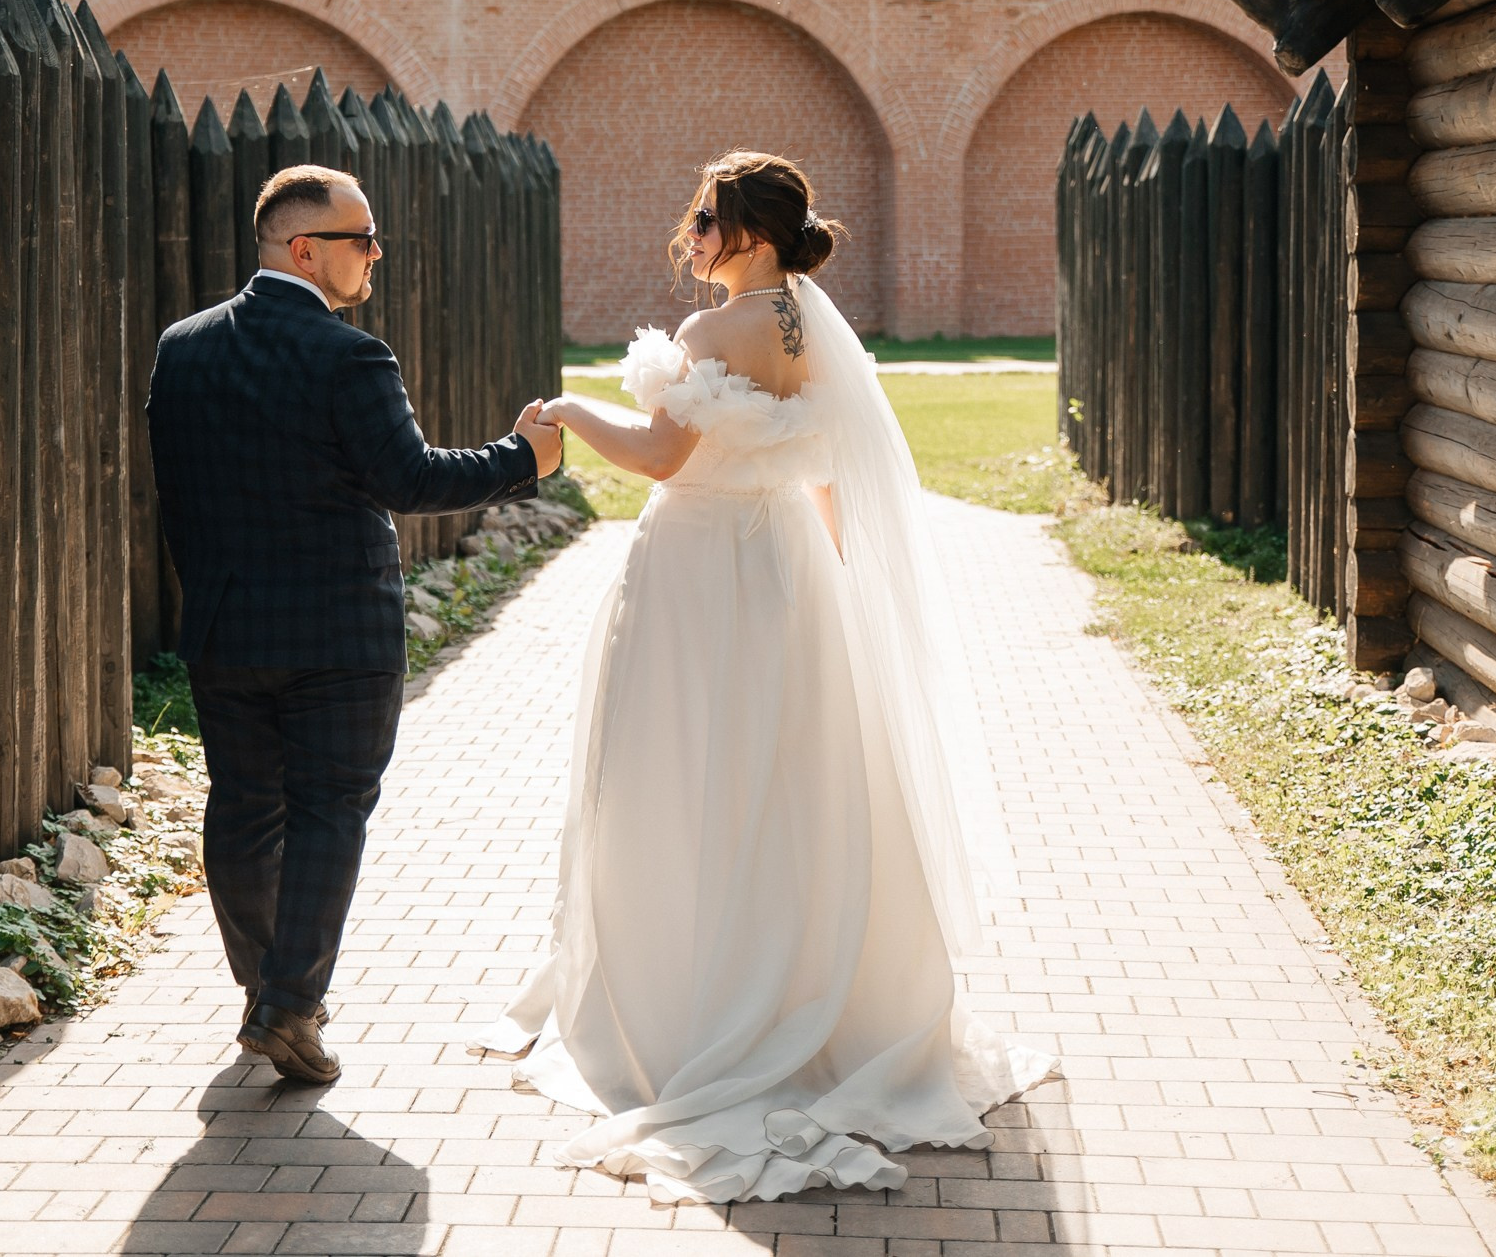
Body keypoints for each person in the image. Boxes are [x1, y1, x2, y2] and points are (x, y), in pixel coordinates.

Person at [478, 151, 1055, 1202]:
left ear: (745, 229)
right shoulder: (808, 325)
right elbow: (832, 476)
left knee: (673, 775)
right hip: (788, 574)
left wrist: (563, 410)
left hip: (699, 573)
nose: (690, 237)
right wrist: (845, 587)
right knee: (788, 786)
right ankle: (805, 990)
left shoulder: (713, 332)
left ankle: (688, 999)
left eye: (703, 220)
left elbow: (660, 456)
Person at [147, 162, 563, 1084]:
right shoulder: (350, 356)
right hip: (339, 635)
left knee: (244, 808)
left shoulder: (182, 347)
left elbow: (177, 496)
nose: (376, 252)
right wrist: (522, 455)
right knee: (332, 809)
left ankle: (268, 994)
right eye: (361, 238)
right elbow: (410, 480)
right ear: (306, 250)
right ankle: (290, 1003)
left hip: (225, 627)